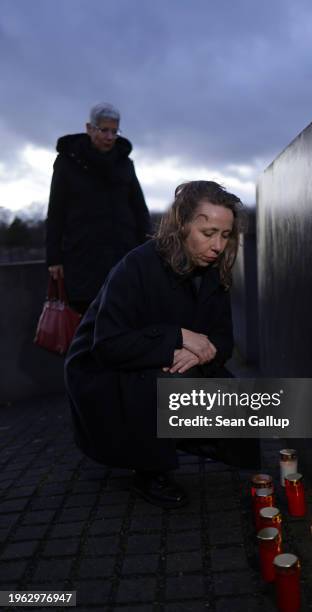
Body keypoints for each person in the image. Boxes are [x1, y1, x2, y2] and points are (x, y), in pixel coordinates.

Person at [65, 180, 260, 509]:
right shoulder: (136, 266)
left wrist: (201, 349)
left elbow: (223, 339)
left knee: (235, 402)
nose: (218, 246)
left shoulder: (213, 271)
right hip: (100, 373)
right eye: (208, 232)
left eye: (225, 236)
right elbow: (107, 345)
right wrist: (179, 337)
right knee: (170, 384)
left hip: (155, 358)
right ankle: (149, 471)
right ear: (182, 225)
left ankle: (185, 440)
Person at [46, 103, 151, 314]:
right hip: (83, 257)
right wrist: (54, 258)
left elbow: (139, 208)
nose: (110, 136)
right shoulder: (68, 162)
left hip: (123, 254)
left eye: (115, 131)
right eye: (104, 130)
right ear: (89, 128)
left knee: (125, 317)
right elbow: (56, 211)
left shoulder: (125, 163)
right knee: (87, 323)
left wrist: (149, 248)